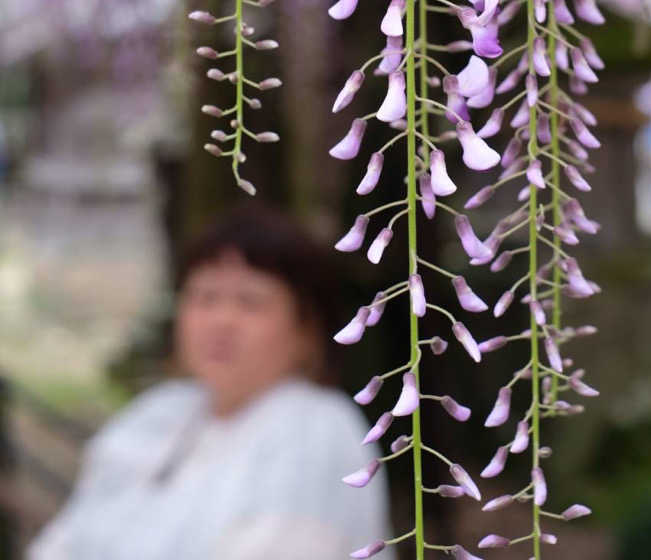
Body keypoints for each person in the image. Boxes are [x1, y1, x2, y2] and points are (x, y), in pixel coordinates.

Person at [28, 203, 393, 560]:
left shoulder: (314, 425)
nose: (222, 320)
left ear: (306, 329)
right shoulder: (160, 411)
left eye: (250, 302)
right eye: (205, 297)